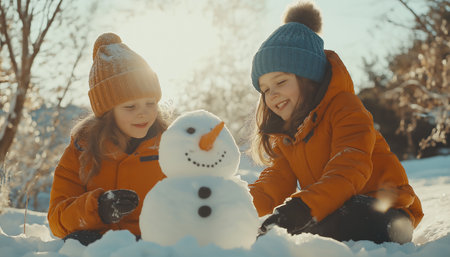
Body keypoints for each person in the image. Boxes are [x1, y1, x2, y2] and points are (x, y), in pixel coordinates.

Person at [248, 1, 423, 244]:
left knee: (329, 219)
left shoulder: (346, 108)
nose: (272, 94)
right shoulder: (287, 137)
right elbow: (273, 184)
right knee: (275, 232)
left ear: (309, 79)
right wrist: (234, 206)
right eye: (265, 89)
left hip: (387, 212)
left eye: (280, 82)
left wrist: (301, 208)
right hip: (330, 207)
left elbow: (349, 168)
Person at [47, 33, 168, 246]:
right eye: (130, 106)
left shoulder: (171, 145)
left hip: (155, 247)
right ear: (107, 111)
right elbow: (57, 221)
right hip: (100, 247)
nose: (143, 113)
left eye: (150, 103)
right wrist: (97, 208)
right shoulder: (81, 150)